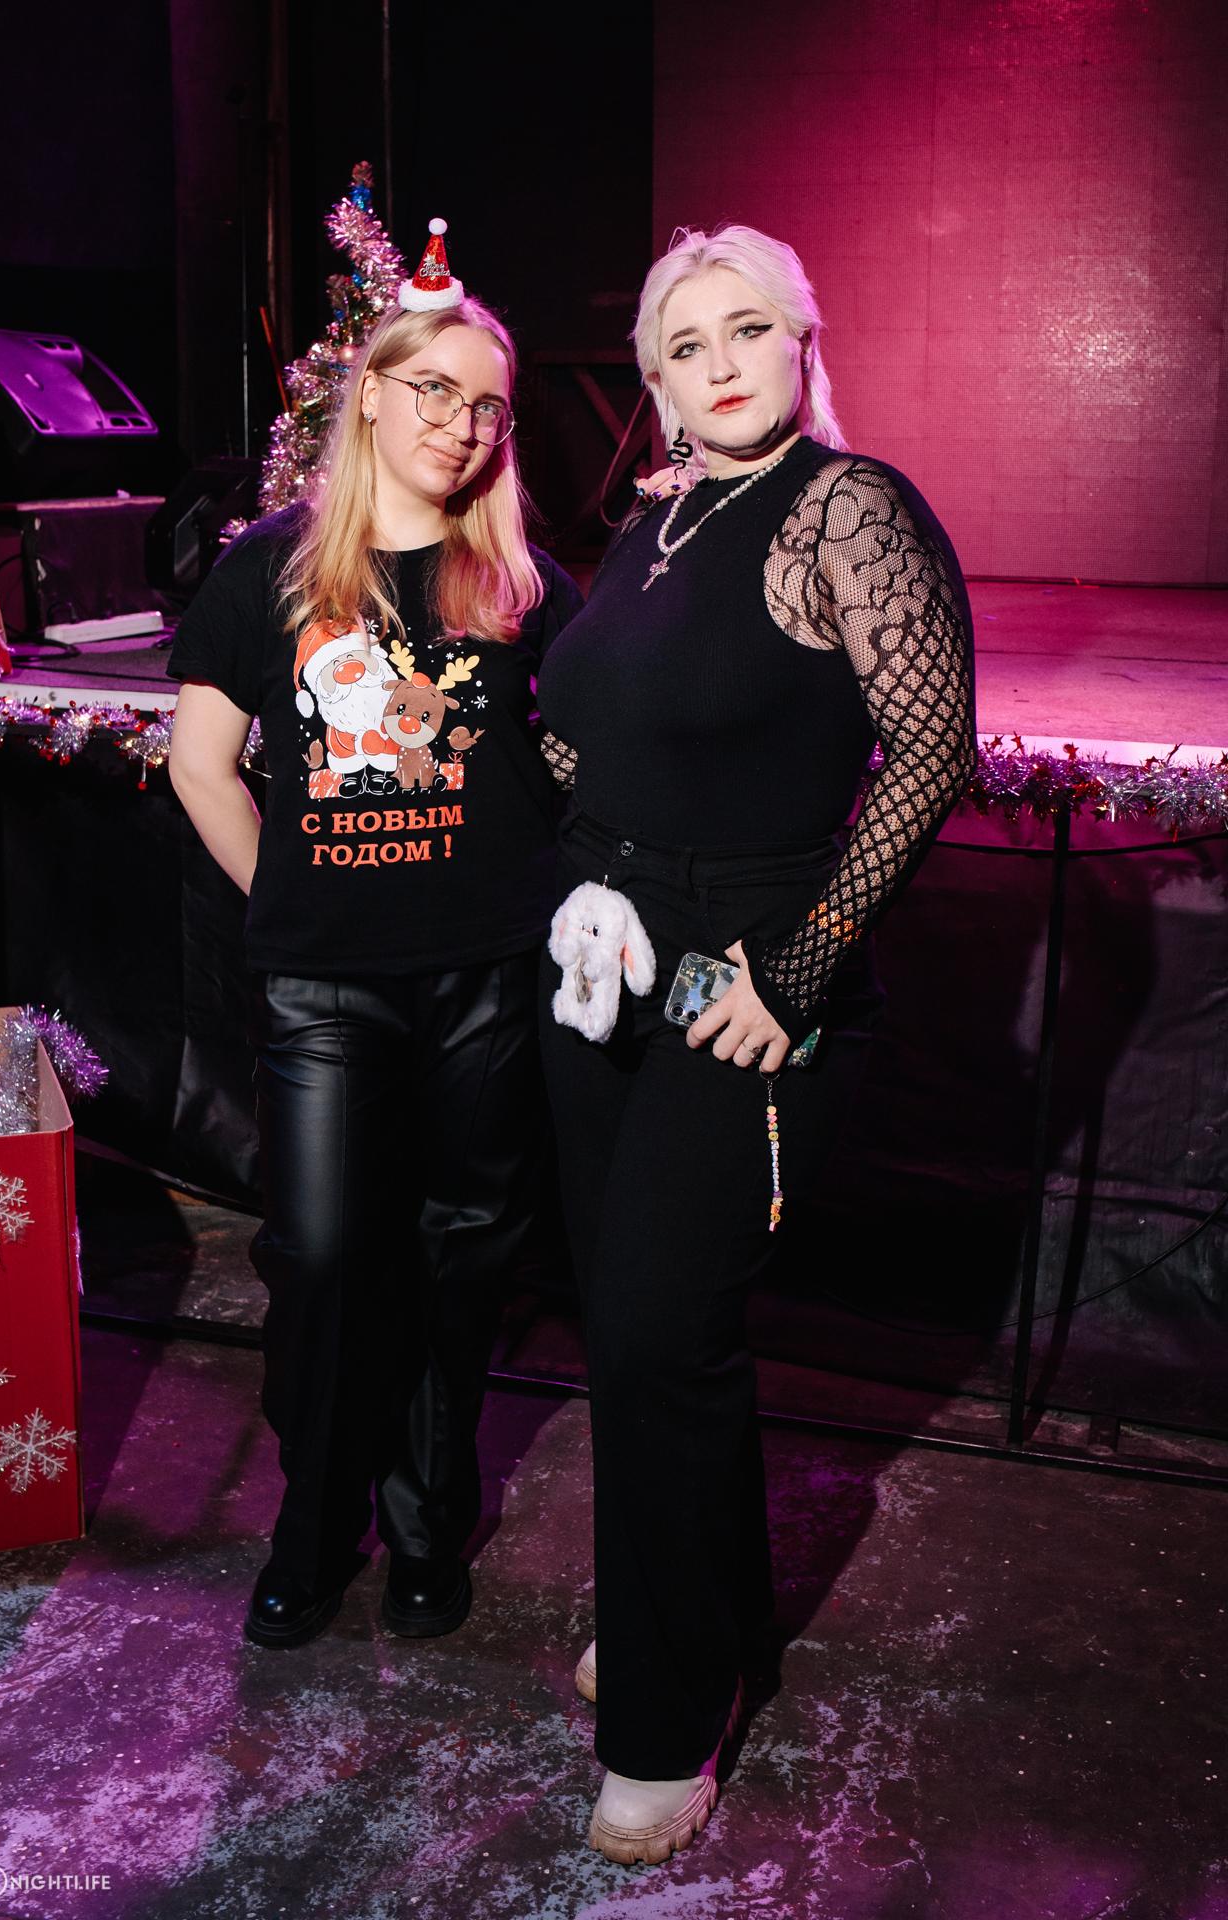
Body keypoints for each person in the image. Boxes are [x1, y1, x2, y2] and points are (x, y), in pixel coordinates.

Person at [536, 223, 977, 1863]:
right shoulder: (658, 522)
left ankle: (666, 1722)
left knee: (659, 1333)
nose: (718, 365)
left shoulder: (848, 507)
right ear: (653, 385)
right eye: (683, 345)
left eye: (745, 331)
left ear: (801, 341)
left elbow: (930, 749)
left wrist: (797, 970)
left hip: (746, 980)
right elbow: (585, 732)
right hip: (604, 970)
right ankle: (693, 1612)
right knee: (639, 1339)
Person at [167, 221, 582, 1651]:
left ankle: (424, 1523)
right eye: (435, 391)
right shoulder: (269, 571)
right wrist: (293, 909)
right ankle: (314, 1518)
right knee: (327, 1257)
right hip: (326, 991)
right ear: (371, 396)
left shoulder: (522, 583)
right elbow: (200, 767)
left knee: (462, 1258)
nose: (462, 425)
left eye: (487, 406)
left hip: (489, 977)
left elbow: (583, 764)